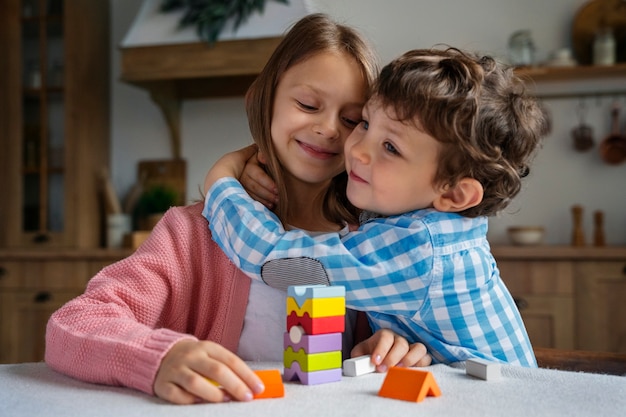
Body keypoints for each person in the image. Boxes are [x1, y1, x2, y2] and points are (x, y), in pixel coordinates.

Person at [45, 14, 431, 406]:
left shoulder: (376, 242)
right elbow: (74, 324)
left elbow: (411, 348)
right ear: (262, 103)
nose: (330, 129)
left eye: (352, 120)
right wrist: (158, 357)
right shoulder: (193, 234)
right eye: (308, 104)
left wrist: (393, 345)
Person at [203, 47, 550, 367]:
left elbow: (277, 261)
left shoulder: (419, 251)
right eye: (365, 123)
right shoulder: (426, 224)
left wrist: (222, 180)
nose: (357, 150)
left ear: (455, 195)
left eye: (391, 147)